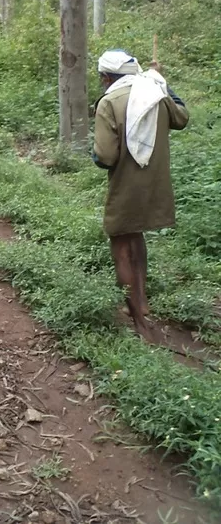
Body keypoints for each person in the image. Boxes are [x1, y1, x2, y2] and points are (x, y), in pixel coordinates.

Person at [93, 50, 189, 342]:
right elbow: (181, 117)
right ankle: (142, 300)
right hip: (156, 184)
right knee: (136, 237)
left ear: (107, 77)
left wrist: (94, 153)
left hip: (126, 185)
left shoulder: (109, 102)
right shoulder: (155, 94)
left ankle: (137, 319)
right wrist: (161, 80)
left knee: (121, 244)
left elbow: (106, 157)